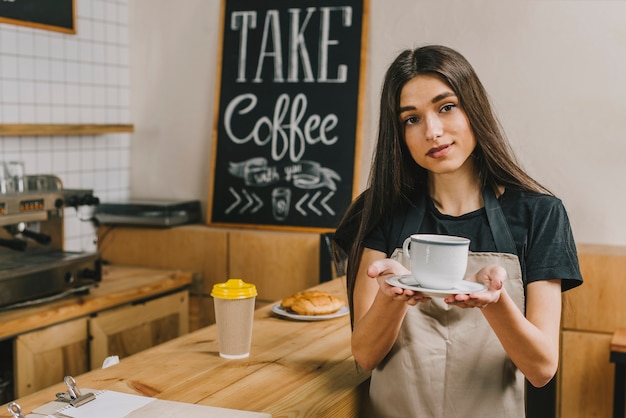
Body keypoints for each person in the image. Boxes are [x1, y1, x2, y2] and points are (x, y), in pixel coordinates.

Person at [333, 45, 583, 418]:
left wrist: (495, 303)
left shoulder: (540, 214)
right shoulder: (381, 210)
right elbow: (366, 355)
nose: (432, 131)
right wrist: (392, 297)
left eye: (446, 107)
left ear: (473, 110)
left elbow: (542, 368)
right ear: (399, 134)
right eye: (411, 119)